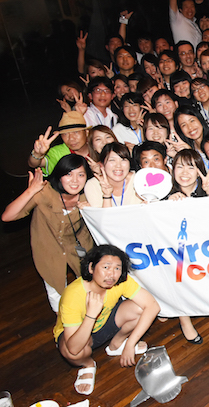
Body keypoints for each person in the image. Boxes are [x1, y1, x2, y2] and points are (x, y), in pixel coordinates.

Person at [54, 245, 160, 395]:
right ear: (91, 268)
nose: (111, 274)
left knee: (140, 309)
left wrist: (130, 344)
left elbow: (153, 306)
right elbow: (73, 348)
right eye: (106, 267)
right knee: (73, 353)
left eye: (117, 268)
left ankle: (117, 344)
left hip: (106, 324)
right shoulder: (73, 295)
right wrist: (91, 315)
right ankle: (88, 365)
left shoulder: (121, 281)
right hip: (80, 335)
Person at [2, 155, 95, 312]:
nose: (74, 180)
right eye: (68, 174)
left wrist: (92, 210)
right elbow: (8, 216)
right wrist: (31, 190)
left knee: (91, 288)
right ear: (59, 176)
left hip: (80, 246)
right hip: (48, 249)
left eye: (80, 174)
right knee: (56, 293)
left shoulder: (90, 195)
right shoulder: (45, 192)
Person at [29, 112, 91, 176]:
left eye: (76, 132)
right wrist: (37, 154)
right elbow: (34, 164)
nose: (71, 138)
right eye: (65, 134)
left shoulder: (96, 147)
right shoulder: (57, 152)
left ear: (87, 133)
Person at [84, 142, 143, 207]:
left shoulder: (140, 179)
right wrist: (107, 196)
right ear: (102, 164)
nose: (118, 165)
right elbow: (101, 214)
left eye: (123, 160)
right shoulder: (93, 185)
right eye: (112, 160)